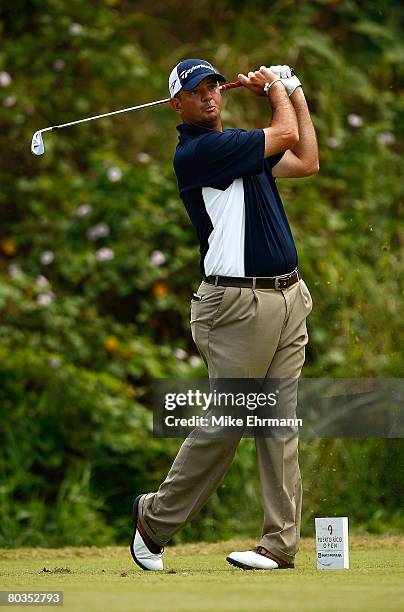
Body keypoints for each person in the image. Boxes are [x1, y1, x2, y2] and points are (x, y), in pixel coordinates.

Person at [130, 58, 319, 571]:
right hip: (235, 308)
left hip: (286, 297)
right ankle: (155, 519)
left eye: (215, 86)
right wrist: (277, 88)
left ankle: (279, 547)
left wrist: (295, 92)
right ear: (178, 104)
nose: (210, 96)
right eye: (197, 91)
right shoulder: (200, 152)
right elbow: (282, 133)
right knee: (231, 419)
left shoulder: (237, 148)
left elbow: (304, 159)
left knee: (279, 423)